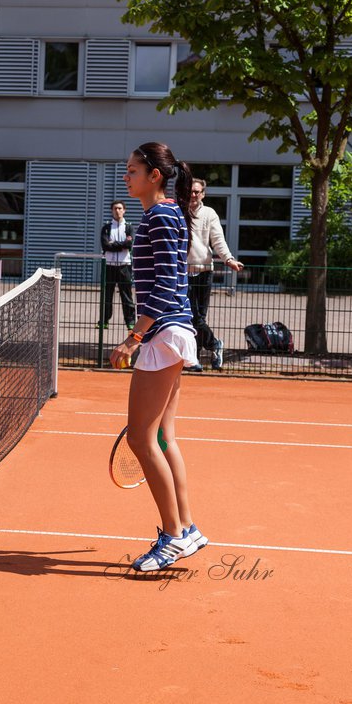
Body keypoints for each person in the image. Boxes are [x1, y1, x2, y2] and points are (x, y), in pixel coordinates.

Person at [109, 142, 206, 573]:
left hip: (164, 334)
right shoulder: (160, 215)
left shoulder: (161, 215)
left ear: (155, 176)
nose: (126, 177)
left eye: (132, 171)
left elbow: (167, 282)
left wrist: (134, 337)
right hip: (170, 333)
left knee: (141, 439)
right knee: (163, 437)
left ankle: (172, 537)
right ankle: (186, 527)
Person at [185, 179, 243, 371]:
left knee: (198, 317)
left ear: (203, 194)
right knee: (190, 317)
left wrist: (228, 259)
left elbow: (218, 239)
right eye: (190, 191)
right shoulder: (178, 211)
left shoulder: (209, 213)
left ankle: (197, 356)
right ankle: (213, 346)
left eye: (197, 192)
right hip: (183, 272)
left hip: (203, 271)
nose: (193, 195)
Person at [98, 200, 136, 331]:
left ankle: (130, 321)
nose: (117, 211)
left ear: (124, 210)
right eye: (115, 208)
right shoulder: (107, 228)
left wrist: (114, 244)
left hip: (125, 266)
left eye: (120, 208)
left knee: (127, 296)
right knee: (107, 295)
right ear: (111, 211)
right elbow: (105, 245)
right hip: (109, 265)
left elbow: (129, 245)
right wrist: (121, 245)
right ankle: (104, 321)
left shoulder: (129, 227)